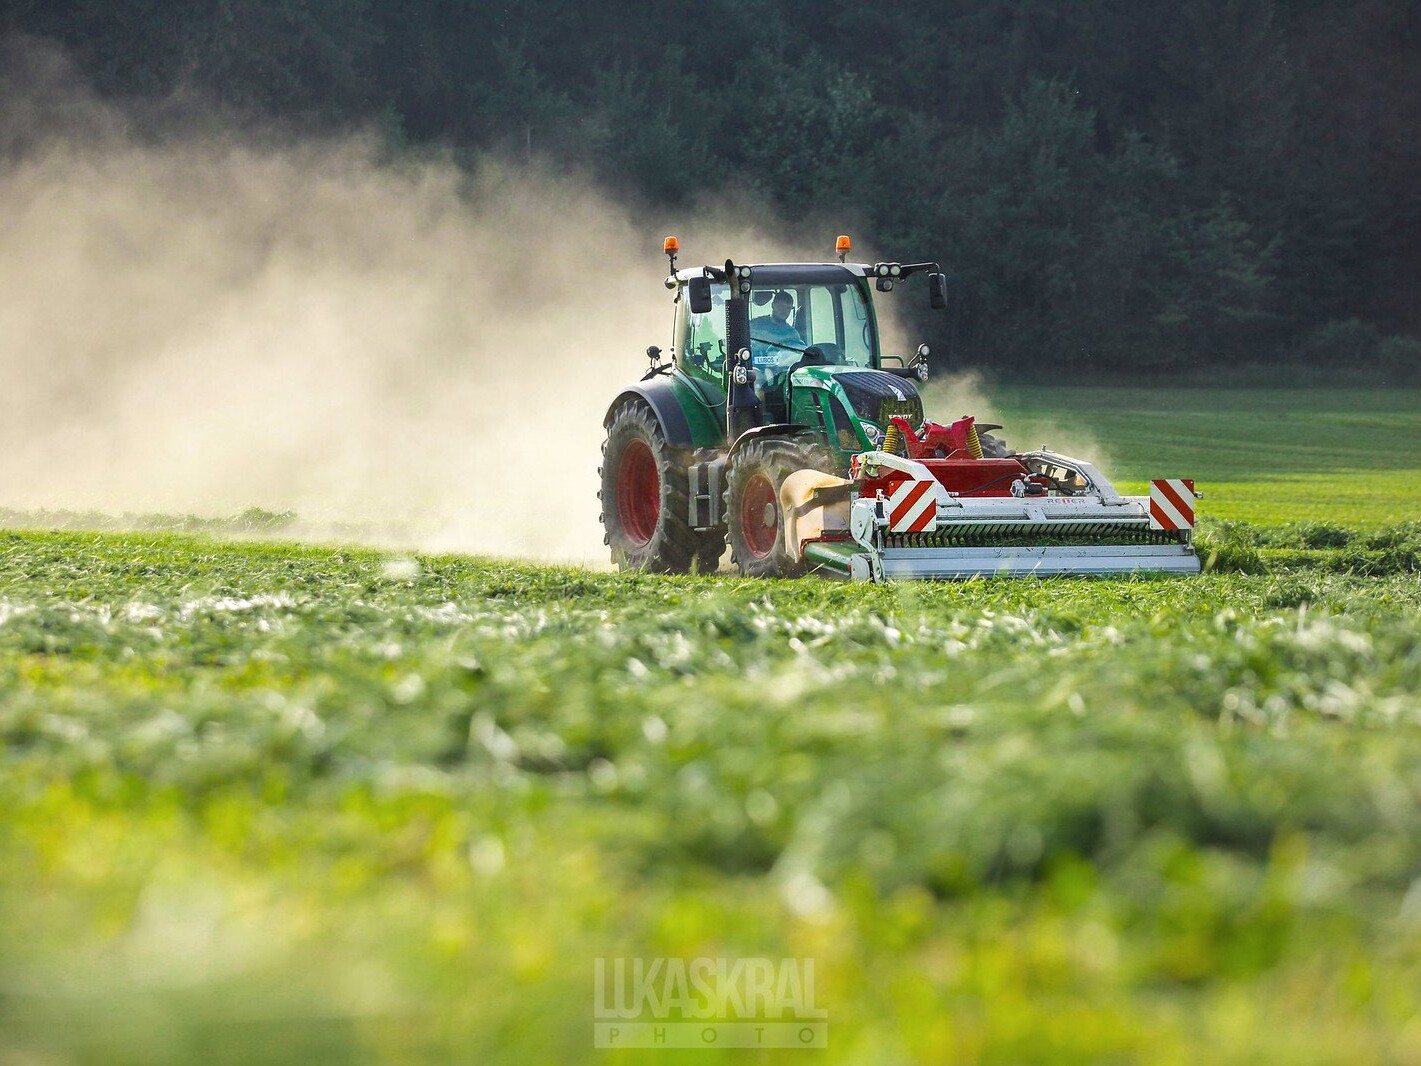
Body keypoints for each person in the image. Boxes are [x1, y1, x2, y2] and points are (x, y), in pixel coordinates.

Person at [749, 291, 804, 384]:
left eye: (788, 308)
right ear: (773, 305)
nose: (784, 311)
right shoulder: (754, 325)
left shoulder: (792, 333)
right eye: (781, 306)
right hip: (755, 367)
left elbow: (797, 355)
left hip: (781, 371)